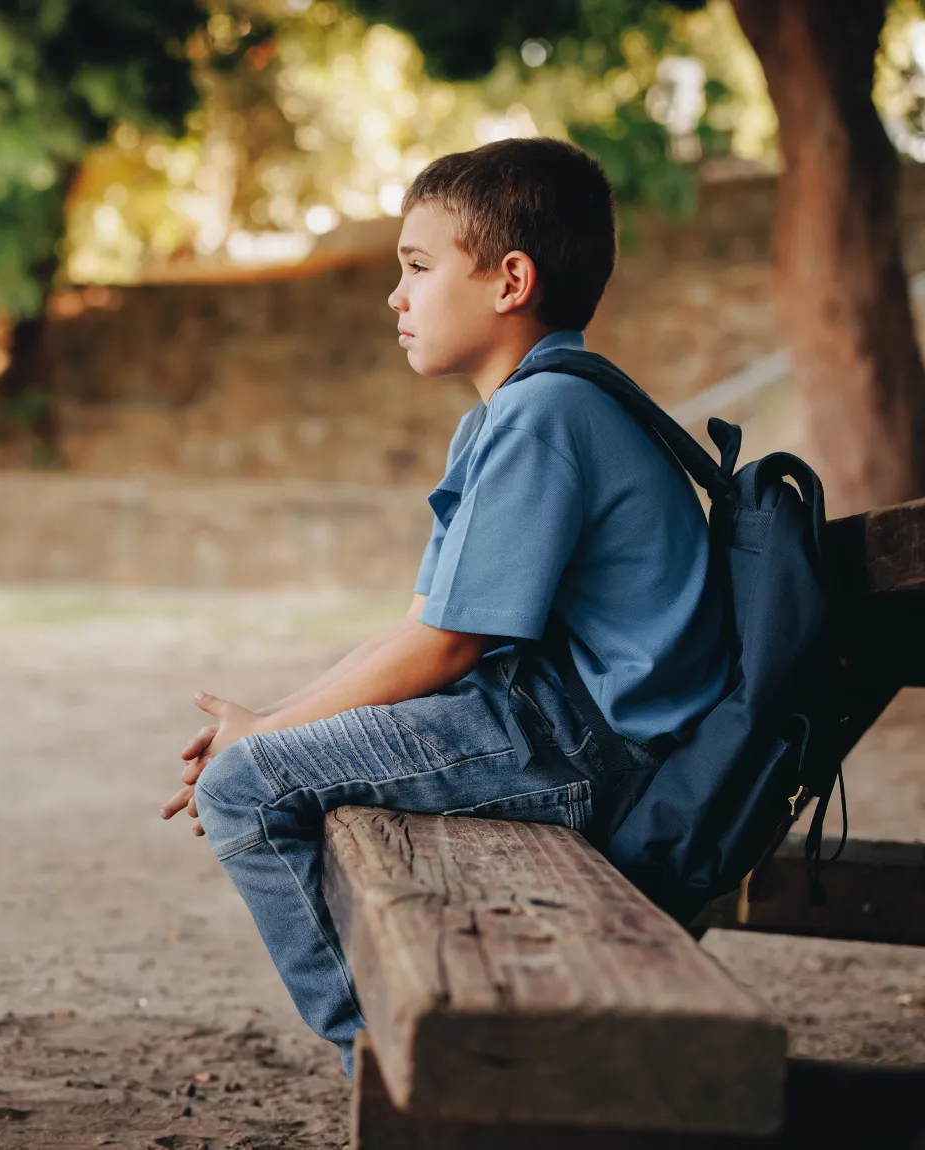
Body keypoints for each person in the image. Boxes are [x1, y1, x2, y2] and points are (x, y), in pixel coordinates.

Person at [158, 138, 729, 1071]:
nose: (396, 295)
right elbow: (423, 626)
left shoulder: (546, 417)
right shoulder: (512, 416)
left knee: (243, 791)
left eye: (417, 268)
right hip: (549, 723)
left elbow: (446, 647)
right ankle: (407, 1070)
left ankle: (397, 1076)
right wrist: (269, 722)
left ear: (510, 281)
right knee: (258, 768)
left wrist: (261, 743)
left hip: (588, 746)